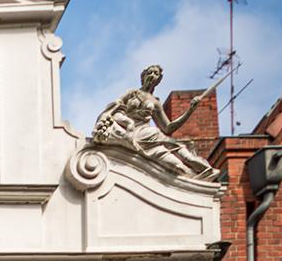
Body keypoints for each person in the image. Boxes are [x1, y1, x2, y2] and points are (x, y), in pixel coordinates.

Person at [91, 64, 219, 182]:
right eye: (150, 73)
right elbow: (114, 108)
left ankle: (197, 171)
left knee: (175, 150)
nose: (152, 76)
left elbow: (168, 127)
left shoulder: (155, 103)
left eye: (155, 74)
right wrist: (126, 122)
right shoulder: (132, 93)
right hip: (126, 129)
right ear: (143, 76)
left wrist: (190, 111)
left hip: (146, 132)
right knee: (168, 147)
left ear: (158, 80)